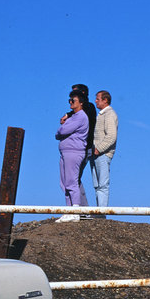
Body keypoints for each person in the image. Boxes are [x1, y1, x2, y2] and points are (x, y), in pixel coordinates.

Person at [59, 83, 97, 209]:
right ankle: (76, 208)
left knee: (73, 180)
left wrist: (67, 118)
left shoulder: (87, 110)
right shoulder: (75, 114)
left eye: (75, 96)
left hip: (82, 149)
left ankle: (81, 209)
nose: (71, 100)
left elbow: (62, 130)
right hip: (76, 149)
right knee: (70, 181)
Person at [56, 90, 89, 222]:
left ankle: (75, 210)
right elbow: (60, 132)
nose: (70, 103)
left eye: (73, 100)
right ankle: (69, 209)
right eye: (69, 100)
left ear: (81, 102)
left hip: (74, 151)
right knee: (64, 182)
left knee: (71, 181)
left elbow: (62, 130)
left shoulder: (81, 117)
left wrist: (62, 129)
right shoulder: (72, 117)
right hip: (65, 151)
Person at [92, 90, 118, 209]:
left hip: (102, 154)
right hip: (96, 154)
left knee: (102, 185)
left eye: (98, 99)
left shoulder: (109, 114)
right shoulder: (102, 114)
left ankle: (102, 212)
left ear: (105, 100)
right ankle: (99, 210)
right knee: (97, 185)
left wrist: (99, 149)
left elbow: (111, 136)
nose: (96, 101)